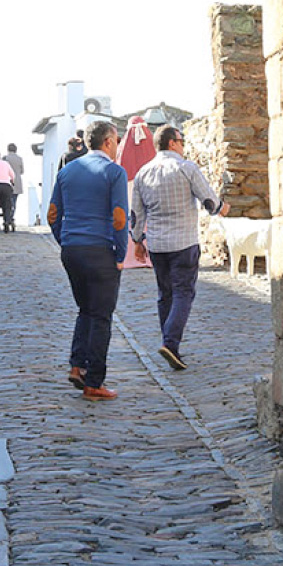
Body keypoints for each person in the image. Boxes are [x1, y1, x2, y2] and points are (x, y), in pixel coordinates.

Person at [130, 125, 226, 371]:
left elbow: (137, 213)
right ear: (172, 143)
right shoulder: (186, 168)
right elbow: (209, 201)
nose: (183, 146)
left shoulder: (143, 173)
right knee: (184, 292)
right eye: (181, 141)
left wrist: (137, 239)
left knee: (165, 294)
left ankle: (169, 344)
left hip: (158, 244)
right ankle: (170, 344)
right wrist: (222, 208)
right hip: (183, 242)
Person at [47, 121, 129, 400]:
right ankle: (94, 382)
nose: (118, 146)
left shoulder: (67, 171)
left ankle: (77, 366)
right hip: (100, 249)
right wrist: (120, 254)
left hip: (72, 249)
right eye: (117, 141)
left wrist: (64, 240)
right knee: (101, 316)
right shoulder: (114, 172)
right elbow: (119, 216)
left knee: (86, 309)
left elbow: (53, 213)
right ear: (107, 142)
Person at [0, 153, 17, 233]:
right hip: (6, 186)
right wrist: (12, 181)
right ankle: (6, 221)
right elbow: (12, 175)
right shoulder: (5, 163)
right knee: (7, 206)